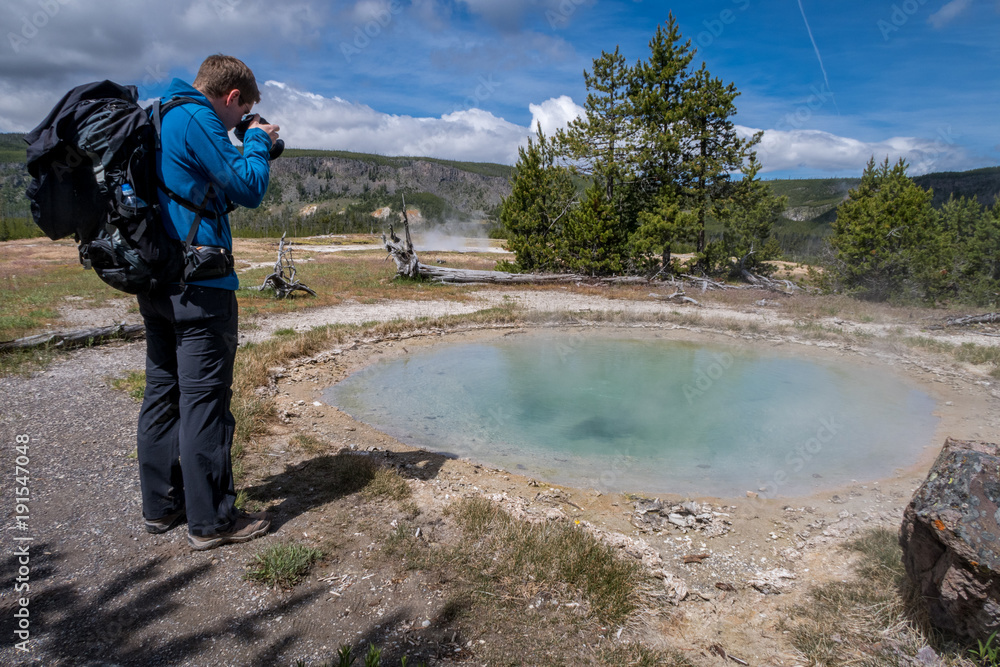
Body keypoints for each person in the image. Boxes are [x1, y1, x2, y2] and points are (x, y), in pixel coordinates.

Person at [136, 54, 279, 551]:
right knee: (205, 402)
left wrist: (245, 147)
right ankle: (213, 521)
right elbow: (250, 187)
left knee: (163, 393)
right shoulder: (198, 116)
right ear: (232, 97)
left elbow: (205, 194)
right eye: (241, 114)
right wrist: (257, 140)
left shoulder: (160, 116)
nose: (238, 123)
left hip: (158, 283)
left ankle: (163, 506)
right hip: (200, 286)